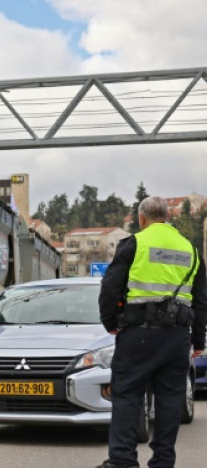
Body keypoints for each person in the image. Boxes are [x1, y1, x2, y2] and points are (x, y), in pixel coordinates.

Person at [96, 196, 206, 468]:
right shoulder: (191, 251)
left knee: (127, 394)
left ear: (141, 218)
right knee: (170, 399)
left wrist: (110, 323)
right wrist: (198, 342)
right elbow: (201, 301)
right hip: (177, 338)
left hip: (138, 335)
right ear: (167, 217)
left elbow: (110, 289)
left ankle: (122, 461)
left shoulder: (134, 243)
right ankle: (163, 462)